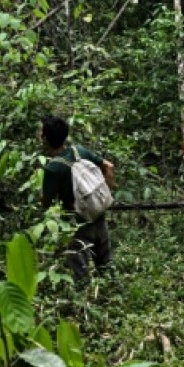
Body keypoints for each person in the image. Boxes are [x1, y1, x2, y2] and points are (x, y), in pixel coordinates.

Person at [40, 115, 116, 282]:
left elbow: (45, 202)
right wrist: (104, 195)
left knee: (80, 276)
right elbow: (108, 166)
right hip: (99, 216)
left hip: (78, 225)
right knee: (106, 268)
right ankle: (115, 298)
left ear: (44, 138)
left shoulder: (53, 169)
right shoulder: (79, 151)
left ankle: (84, 306)